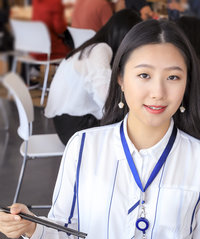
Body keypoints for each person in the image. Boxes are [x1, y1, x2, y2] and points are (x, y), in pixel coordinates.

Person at [0, 20, 200, 239]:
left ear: (187, 84)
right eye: (144, 75)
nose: (158, 92)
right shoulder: (82, 147)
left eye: (173, 77)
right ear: (121, 78)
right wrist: (32, 227)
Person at [45, 9, 142, 145]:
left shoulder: (91, 46)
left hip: (65, 122)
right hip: (76, 129)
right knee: (132, 124)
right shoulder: (100, 50)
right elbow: (104, 96)